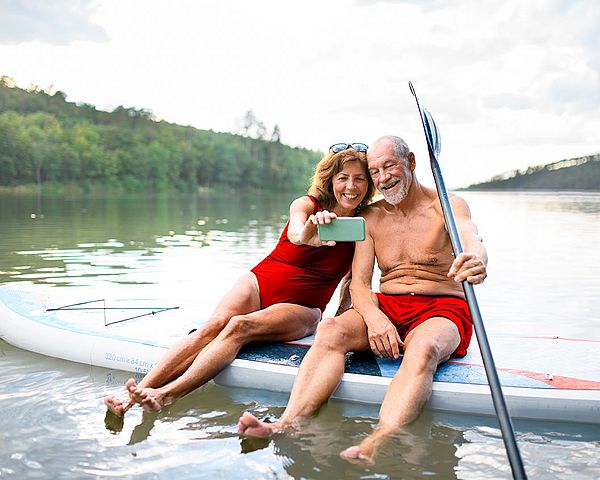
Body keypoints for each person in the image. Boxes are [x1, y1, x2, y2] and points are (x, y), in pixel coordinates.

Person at [238, 135, 488, 465]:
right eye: (375, 171)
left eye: (390, 167)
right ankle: (287, 423)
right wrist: (374, 318)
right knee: (330, 331)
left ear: (411, 162)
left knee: (424, 348)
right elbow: (359, 284)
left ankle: (379, 438)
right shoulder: (369, 218)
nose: (383, 178)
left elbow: (472, 238)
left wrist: (476, 260)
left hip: (443, 307)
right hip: (389, 303)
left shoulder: (447, 205)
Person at [104, 143, 376, 416]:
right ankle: (132, 398)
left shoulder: (365, 226)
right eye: (343, 177)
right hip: (261, 280)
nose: (350, 186)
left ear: (368, 184)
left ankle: (166, 395)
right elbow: (295, 232)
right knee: (213, 326)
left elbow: (353, 283)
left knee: (238, 326)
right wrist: (307, 235)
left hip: (302, 306)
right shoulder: (307, 205)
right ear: (330, 180)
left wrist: (340, 323)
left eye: (359, 178)